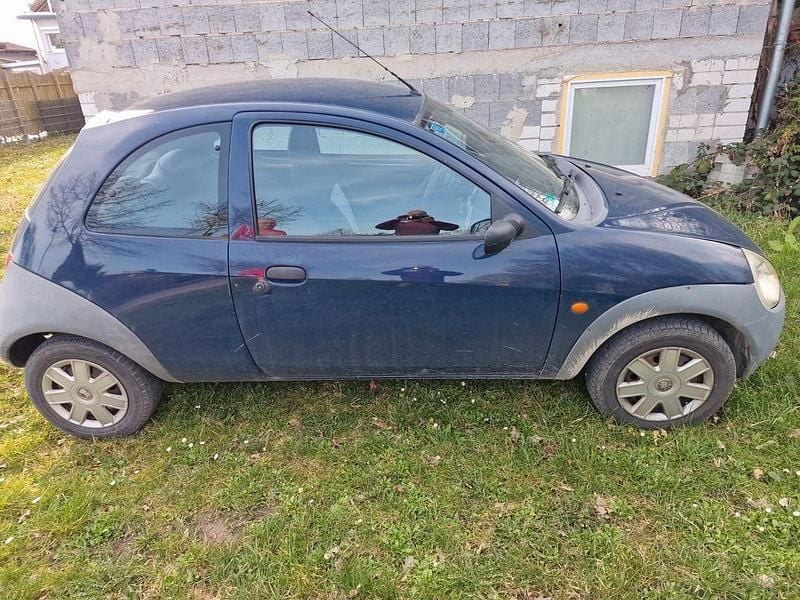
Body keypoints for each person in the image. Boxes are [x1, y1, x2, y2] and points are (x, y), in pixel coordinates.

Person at [375, 209, 459, 236]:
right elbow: (454, 227)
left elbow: (379, 226)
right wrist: (435, 222)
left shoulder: (399, 225)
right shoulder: (434, 225)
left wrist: (397, 220)